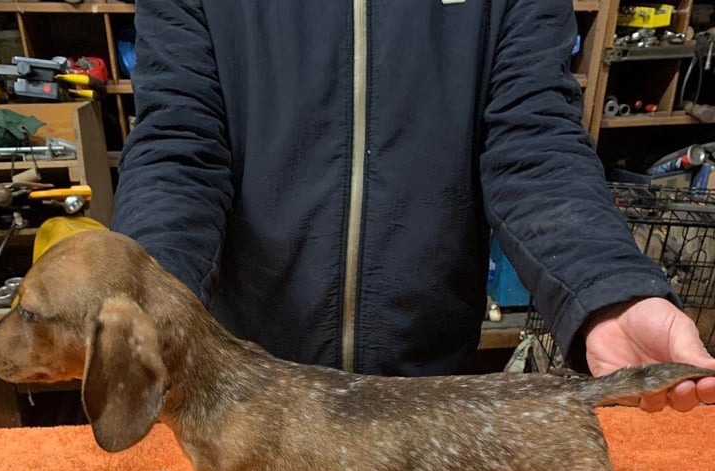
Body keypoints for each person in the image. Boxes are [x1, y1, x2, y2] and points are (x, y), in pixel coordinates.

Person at [111, 0, 715, 413]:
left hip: (426, 393)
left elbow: (534, 142)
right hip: (247, 382)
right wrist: (138, 298)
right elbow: (179, 146)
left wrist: (609, 290)